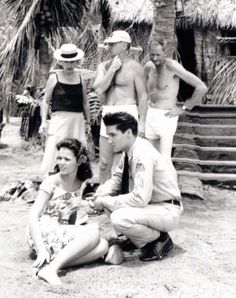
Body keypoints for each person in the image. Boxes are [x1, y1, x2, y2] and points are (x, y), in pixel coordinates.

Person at [92, 112, 183, 262]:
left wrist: (104, 202)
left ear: (128, 133)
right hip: (152, 207)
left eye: (113, 135)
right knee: (109, 201)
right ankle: (137, 239)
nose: (109, 140)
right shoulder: (131, 149)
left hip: (166, 209)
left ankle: (158, 240)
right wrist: (102, 192)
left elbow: (140, 198)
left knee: (118, 217)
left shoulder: (142, 153)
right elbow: (118, 178)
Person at [27, 138, 109, 285]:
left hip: (62, 232)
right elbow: (33, 216)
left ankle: (49, 266)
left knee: (103, 245)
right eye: (59, 158)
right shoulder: (51, 182)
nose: (61, 162)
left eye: (67, 159)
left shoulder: (80, 182)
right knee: (93, 233)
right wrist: (41, 249)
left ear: (79, 160)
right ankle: (51, 267)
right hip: (43, 232)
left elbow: (71, 215)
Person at [92, 30, 148, 183]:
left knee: (127, 162)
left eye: (113, 44)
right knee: (104, 163)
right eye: (108, 44)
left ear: (124, 45)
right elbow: (98, 89)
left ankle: (126, 198)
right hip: (108, 112)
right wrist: (112, 70)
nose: (108, 46)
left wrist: (142, 122)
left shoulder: (135, 67)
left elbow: (143, 96)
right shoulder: (103, 66)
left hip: (127, 112)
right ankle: (103, 197)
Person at [144, 39, 208, 159]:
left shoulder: (172, 66)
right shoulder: (148, 66)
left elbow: (202, 87)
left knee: (164, 159)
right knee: (149, 158)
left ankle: (169, 178)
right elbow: (142, 90)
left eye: (158, 55)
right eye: (152, 54)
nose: (155, 58)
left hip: (167, 116)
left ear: (165, 52)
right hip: (150, 114)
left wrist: (184, 108)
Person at [39, 43, 91, 174]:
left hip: (77, 120)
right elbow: (45, 101)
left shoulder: (81, 79)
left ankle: (76, 180)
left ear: (76, 62)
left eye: (72, 61)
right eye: (66, 62)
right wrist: (44, 122)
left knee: (77, 149)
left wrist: (88, 122)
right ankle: (50, 179)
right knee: (54, 149)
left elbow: (85, 102)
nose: (69, 65)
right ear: (61, 62)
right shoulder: (54, 77)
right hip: (59, 119)